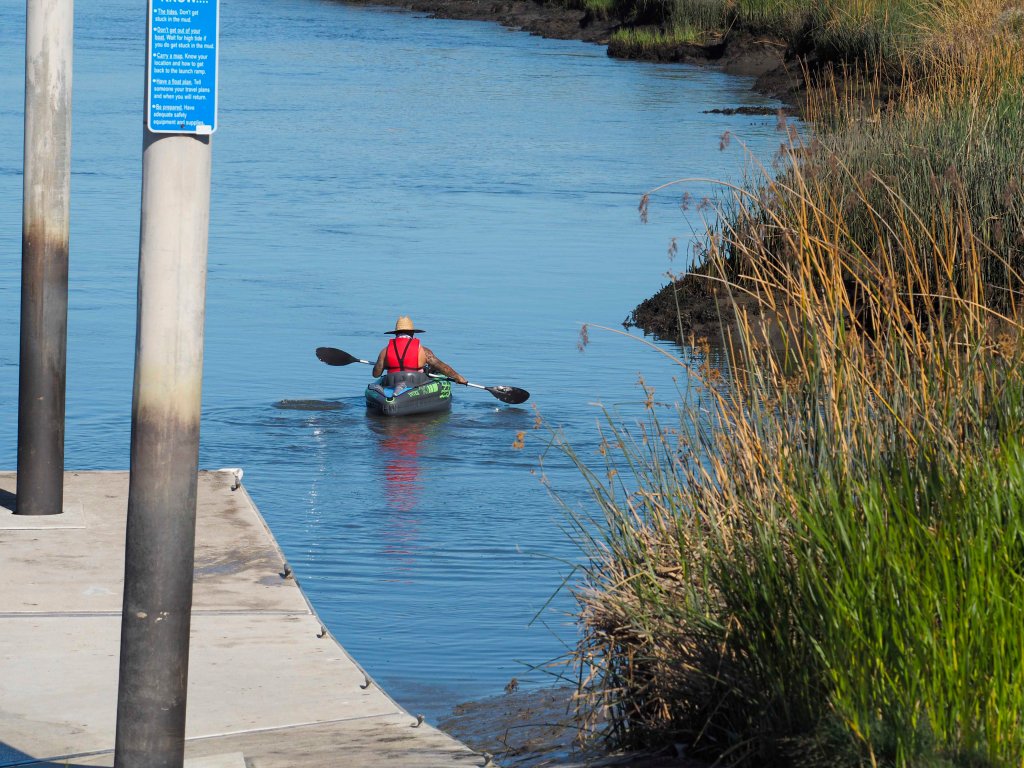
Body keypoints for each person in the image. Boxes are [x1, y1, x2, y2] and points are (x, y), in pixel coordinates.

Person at [372, 316, 468, 385]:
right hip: (416, 383)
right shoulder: (423, 351)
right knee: (434, 370)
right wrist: (458, 377)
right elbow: (442, 367)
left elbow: (376, 374)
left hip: (393, 383)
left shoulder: (385, 351)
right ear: (412, 333)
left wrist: (387, 365)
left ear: (395, 333)